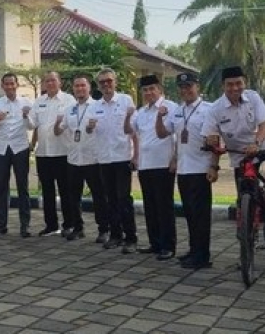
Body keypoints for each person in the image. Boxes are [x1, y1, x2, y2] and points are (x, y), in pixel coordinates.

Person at [157, 72, 217, 269]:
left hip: (201, 169)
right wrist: (159, 117)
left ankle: (202, 256)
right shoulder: (177, 110)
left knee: (201, 215)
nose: (185, 90)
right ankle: (193, 249)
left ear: (197, 87)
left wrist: (214, 165)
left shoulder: (208, 109)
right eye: (182, 87)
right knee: (190, 213)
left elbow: (215, 140)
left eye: (189, 86)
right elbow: (163, 133)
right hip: (183, 169)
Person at [201, 66, 265, 205]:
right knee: (244, 194)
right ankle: (246, 213)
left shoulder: (253, 97)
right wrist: (214, 166)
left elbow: (264, 125)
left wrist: (256, 144)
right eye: (230, 84)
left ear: (245, 83)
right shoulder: (215, 109)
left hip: (259, 148)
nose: (234, 88)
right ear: (223, 86)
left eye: (239, 83)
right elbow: (213, 141)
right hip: (239, 155)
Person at [130, 75, 177, 260]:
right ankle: (155, 243)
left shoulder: (171, 107)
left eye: (152, 89)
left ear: (160, 89)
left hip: (163, 163)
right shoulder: (141, 112)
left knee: (164, 206)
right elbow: (131, 132)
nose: (148, 93)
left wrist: (175, 159)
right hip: (145, 164)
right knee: (150, 206)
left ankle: (168, 245)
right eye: (145, 90)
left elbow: (176, 134)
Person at [54, 75, 104, 242]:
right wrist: (57, 123)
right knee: (73, 197)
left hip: (93, 159)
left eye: (83, 85)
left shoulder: (98, 106)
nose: (80, 89)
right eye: (76, 86)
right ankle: (78, 227)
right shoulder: (69, 109)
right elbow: (58, 131)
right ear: (73, 89)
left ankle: (103, 229)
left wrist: (93, 127)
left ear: (89, 87)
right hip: (74, 159)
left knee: (99, 196)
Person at [93, 68, 138, 253]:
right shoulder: (95, 106)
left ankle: (131, 237)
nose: (106, 84)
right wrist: (89, 128)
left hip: (122, 157)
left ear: (115, 82)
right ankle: (115, 235)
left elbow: (134, 130)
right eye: (102, 82)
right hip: (104, 158)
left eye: (109, 81)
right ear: (98, 85)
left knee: (123, 198)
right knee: (110, 198)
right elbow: (91, 131)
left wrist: (136, 155)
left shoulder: (126, 100)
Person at [0, 73, 37, 238]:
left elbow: (32, 126)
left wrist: (26, 116)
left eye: (12, 83)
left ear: (17, 85)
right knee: (1, 187)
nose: (9, 86)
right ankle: (1, 224)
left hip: (20, 147)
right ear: (2, 86)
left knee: (22, 186)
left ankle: (25, 225)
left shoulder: (26, 102)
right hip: (1, 148)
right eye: (6, 84)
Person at [31, 71, 74, 237]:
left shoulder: (68, 100)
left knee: (65, 190)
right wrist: (25, 117)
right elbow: (33, 124)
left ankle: (69, 224)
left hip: (63, 152)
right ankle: (51, 225)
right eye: (47, 81)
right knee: (47, 191)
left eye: (53, 80)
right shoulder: (39, 101)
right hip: (43, 153)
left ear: (60, 82)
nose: (50, 83)